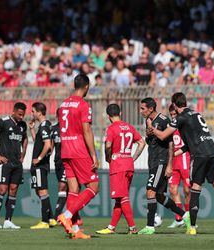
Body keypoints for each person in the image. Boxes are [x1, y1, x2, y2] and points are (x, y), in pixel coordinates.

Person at [148, 92, 214, 235]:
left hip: (200, 156)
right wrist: (174, 155)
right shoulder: (197, 114)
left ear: (175, 105)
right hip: (212, 152)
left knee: (195, 189)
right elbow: (187, 146)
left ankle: (192, 228)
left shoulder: (181, 117)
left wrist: (151, 128)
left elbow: (164, 135)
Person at [138, 97, 190, 235]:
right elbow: (151, 142)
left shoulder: (163, 120)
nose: (140, 111)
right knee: (159, 196)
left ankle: (150, 226)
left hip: (161, 161)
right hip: (153, 160)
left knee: (150, 191)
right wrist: (148, 134)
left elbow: (171, 143)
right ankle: (185, 216)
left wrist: (169, 165)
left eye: (142, 108)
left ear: (150, 109)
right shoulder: (148, 120)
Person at [57, 74, 99, 240]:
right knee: (94, 186)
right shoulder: (83, 105)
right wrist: (93, 154)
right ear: (87, 86)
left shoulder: (62, 104)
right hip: (78, 150)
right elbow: (86, 130)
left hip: (65, 149)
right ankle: (66, 215)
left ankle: (74, 229)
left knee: (73, 190)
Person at [96, 104, 146, 235]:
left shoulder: (111, 128)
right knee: (120, 198)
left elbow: (108, 145)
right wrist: (133, 158)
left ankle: (132, 227)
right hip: (128, 164)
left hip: (118, 166)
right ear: (121, 113)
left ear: (108, 116)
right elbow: (142, 142)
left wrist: (108, 157)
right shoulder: (129, 127)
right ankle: (111, 227)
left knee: (123, 197)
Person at [0, 102, 28, 229]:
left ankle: (8, 220)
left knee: (13, 190)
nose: (21, 117)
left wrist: (23, 153)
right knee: (2, 190)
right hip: (5, 163)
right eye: (19, 114)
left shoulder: (22, 125)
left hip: (17, 164)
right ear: (14, 111)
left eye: (23, 115)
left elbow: (25, 138)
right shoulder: (3, 122)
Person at [28, 102, 57, 229]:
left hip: (40, 165)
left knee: (42, 191)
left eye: (33, 111)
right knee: (39, 190)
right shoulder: (45, 126)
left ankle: (45, 221)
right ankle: (50, 218)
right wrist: (32, 130)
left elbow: (48, 145)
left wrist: (39, 158)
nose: (32, 113)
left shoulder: (45, 126)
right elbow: (39, 142)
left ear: (39, 112)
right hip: (41, 165)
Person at [167, 104, 191, 229]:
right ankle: (179, 218)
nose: (173, 117)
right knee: (173, 190)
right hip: (173, 162)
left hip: (185, 159)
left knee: (187, 190)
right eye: (171, 115)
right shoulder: (170, 127)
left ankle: (189, 217)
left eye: (174, 114)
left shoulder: (184, 125)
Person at [50, 109, 69, 219]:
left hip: (67, 161)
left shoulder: (70, 128)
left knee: (62, 186)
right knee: (67, 189)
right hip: (57, 162)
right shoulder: (54, 129)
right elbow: (50, 147)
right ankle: (75, 216)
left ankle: (56, 216)